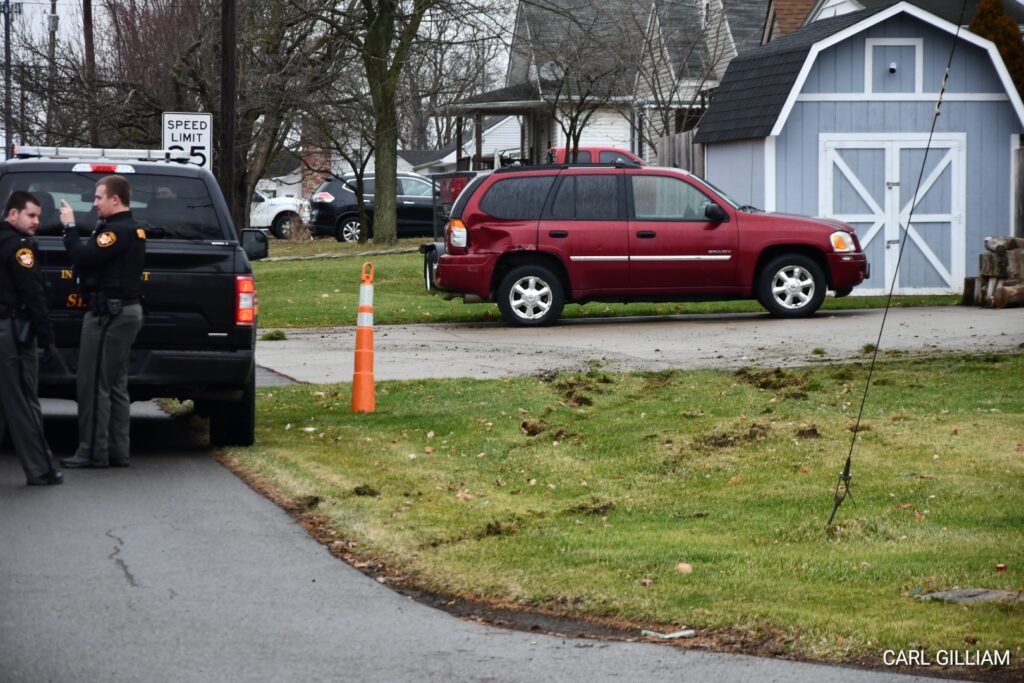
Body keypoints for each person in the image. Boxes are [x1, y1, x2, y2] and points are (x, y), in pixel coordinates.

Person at [59, 175, 145, 469]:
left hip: (109, 315)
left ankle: (92, 451)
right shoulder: (128, 230)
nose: (94, 204)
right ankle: (118, 451)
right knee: (115, 384)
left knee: (94, 383)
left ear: (115, 199)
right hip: (124, 312)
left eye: (98, 198)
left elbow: (83, 257)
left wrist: (69, 227)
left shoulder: (116, 232)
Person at [0, 191, 63, 486]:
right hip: (13, 331)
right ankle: (40, 469)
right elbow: (34, 295)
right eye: (31, 215)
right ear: (13, 214)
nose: (37, 221)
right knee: (23, 402)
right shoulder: (19, 249)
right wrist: (47, 337)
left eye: (39, 216)